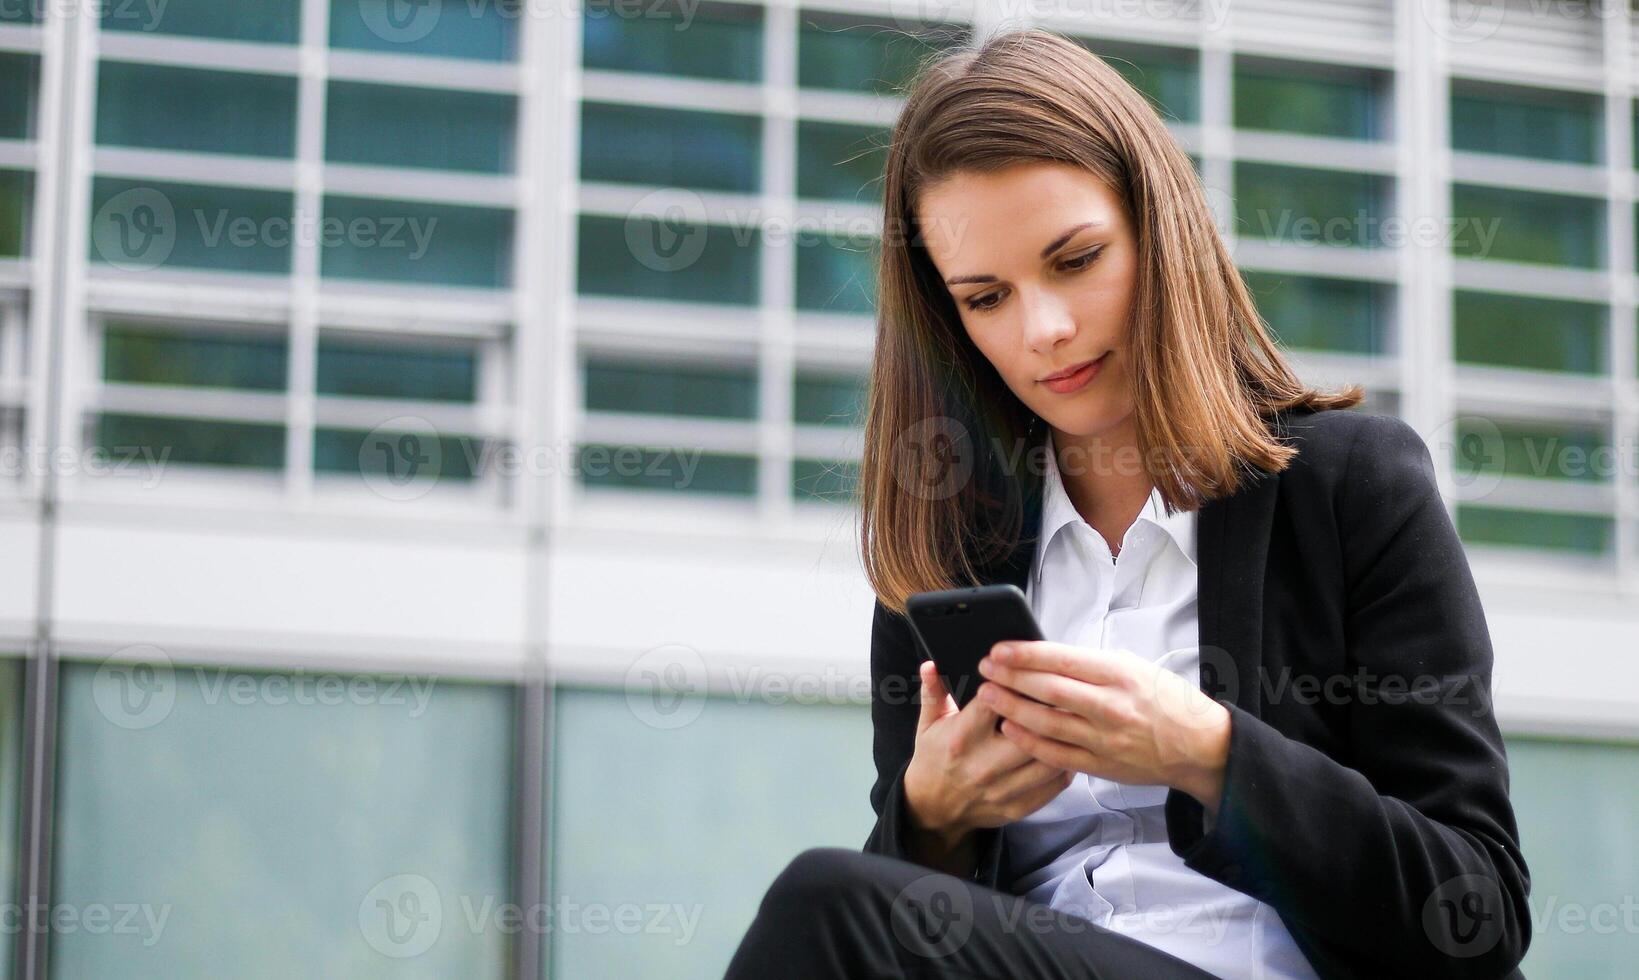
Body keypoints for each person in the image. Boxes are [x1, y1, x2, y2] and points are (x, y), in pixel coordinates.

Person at [725, 26, 1530, 980]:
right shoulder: (949, 554)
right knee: (839, 905)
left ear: (1161, 231)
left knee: (825, 902)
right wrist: (930, 816)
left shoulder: (1352, 488)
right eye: (986, 298)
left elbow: (1475, 907)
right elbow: (907, 931)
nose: (1045, 331)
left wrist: (1205, 751)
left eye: (1075, 261)